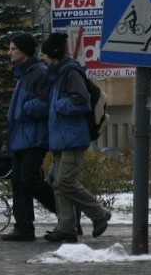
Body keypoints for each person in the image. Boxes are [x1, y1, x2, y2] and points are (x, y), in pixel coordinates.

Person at [40, 32, 111, 243]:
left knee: (65, 180)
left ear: (53, 54)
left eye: (44, 55)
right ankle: (66, 227)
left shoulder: (70, 73)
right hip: (62, 140)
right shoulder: (58, 74)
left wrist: (58, 105)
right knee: (56, 180)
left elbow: (82, 101)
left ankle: (99, 214)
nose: (43, 59)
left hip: (73, 138)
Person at [0, 33, 56, 242]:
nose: (9, 52)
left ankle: (67, 213)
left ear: (24, 51)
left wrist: (25, 108)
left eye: (13, 48)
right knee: (19, 181)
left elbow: (45, 103)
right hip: (21, 136)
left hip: (34, 136)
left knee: (30, 178)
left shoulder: (39, 73)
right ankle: (23, 227)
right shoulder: (23, 74)